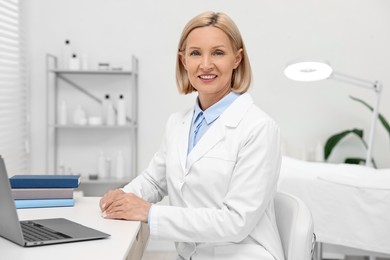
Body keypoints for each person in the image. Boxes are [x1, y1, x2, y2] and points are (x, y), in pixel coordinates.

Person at [100, 11, 284, 260]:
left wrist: (150, 213)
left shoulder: (259, 128)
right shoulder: (178, 123)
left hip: (244, 254)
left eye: (218, 53)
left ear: (237, 59)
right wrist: (123, 196)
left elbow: (236, 221)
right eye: (195, 53)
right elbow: (155, 181)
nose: (205, 64)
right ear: (183, 60)